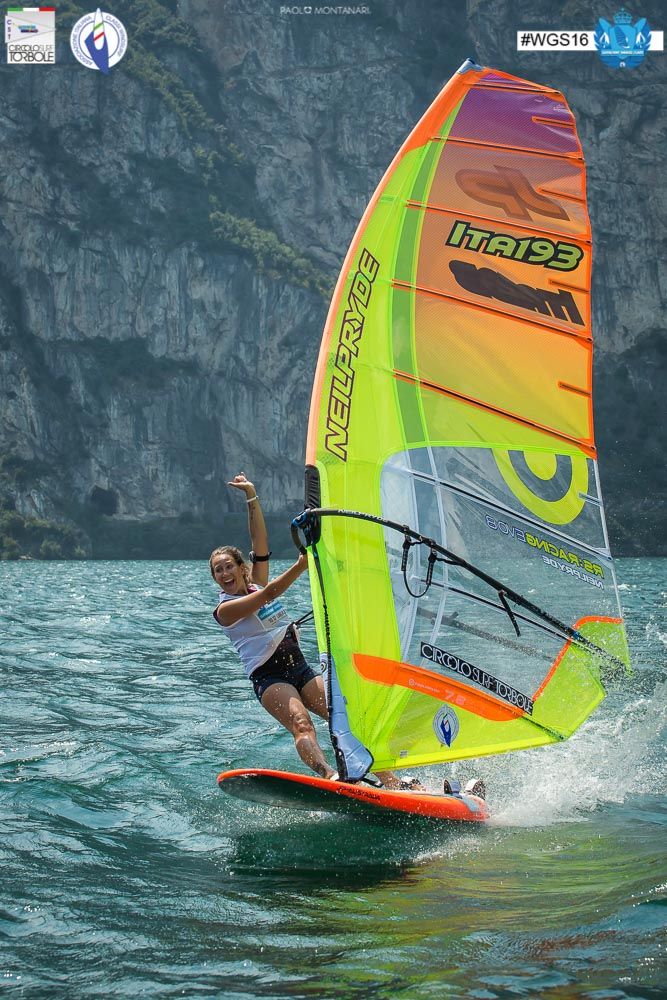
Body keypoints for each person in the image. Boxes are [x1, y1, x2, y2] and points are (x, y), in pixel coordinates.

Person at [210, 472, 408, 788]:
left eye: (228, 566)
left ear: (241, 567)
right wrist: (301, 566)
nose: (224, 574)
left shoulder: (254, 581)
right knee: (302, 724)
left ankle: (392, 782)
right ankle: (329, 775)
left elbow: (260, 543)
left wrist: (251, 495)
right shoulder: (225, 610)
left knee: (345, 719)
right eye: (217, 571)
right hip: (269, 677)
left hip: (300, 668)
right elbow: (270, 594)